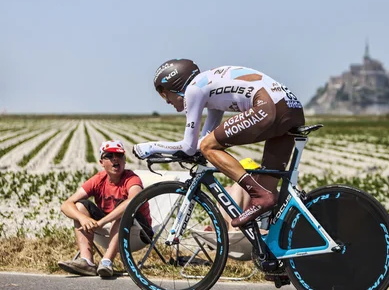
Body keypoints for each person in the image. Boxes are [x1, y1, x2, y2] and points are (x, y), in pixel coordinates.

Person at [133, 59, 305, 228]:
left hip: (269, 107)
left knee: (259, 193)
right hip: (291, 108)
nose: (166, 100)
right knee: (267, 193)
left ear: (177, 85)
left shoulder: (194, 89)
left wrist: (150, 147)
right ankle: (279, 244)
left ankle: (257, 194)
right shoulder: (210, 88)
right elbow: (204, 139)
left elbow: (190, 147)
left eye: (164, 93)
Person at [57, 140, 152, 277]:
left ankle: (107, 261)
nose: (115, 159)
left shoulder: (131, 178)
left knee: (123, 209)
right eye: (109, 156)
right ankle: (87, 262)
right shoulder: (98, 179)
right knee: (79, 206)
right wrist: (83, 218)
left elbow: (133, 201)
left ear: (124, 161)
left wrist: (101, 222)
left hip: (139, 233)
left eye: (119, 155)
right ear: (101, 162)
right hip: (107, 231)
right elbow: (66, 204)